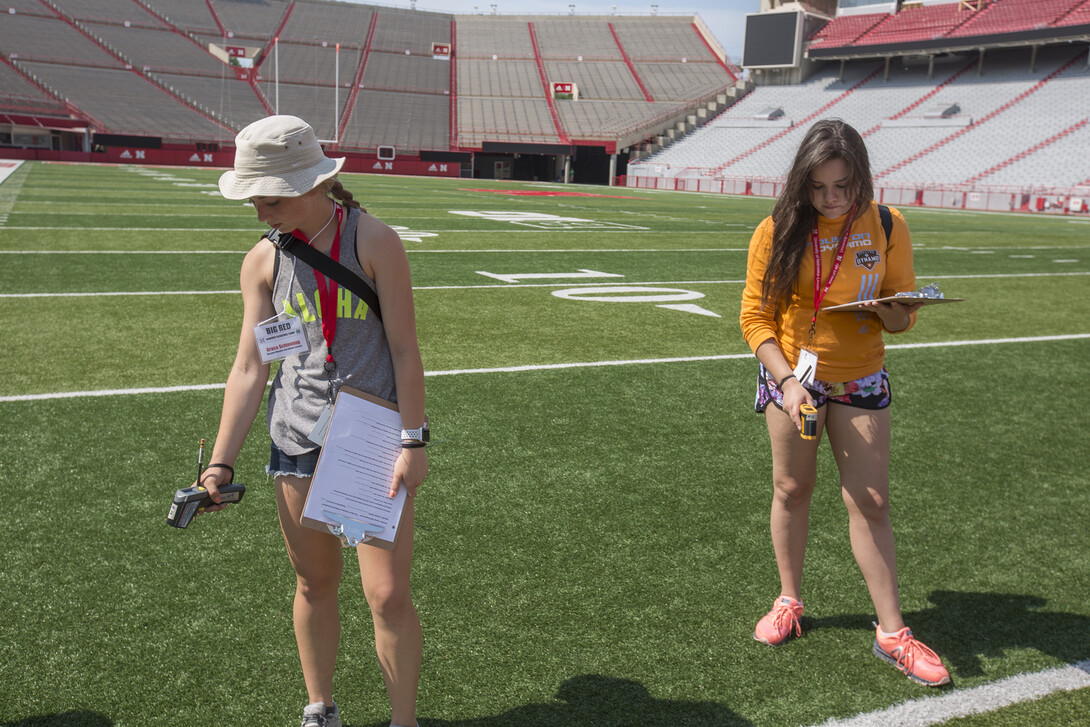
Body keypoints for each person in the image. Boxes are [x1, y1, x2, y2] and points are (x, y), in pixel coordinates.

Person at [199, 115, 428, 727]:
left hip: (373, 443)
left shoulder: (374, 241)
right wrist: (220, 462)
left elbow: (405, 348)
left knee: (387, 594)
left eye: (269, 200)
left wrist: (414, 438)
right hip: (296, 441)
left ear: (311, 186)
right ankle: (320, 708)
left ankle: (401, 721)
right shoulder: (261, 262)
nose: (259, 214)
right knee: (314, 585)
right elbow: (250, 367)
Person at [738, 119, 950, 687]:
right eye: (818, 188)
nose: (831, 199)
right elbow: (754, 319)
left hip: (861, 377)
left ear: (862, 178)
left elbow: (903, 317)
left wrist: (890, 309)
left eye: (843, 186)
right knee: (791, 489)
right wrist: (787, 383)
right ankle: (789, 599)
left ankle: (892, 633)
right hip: (793, 378)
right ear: (800, 184)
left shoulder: (885, 223)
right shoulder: (775, 229)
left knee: (872, 501)